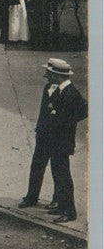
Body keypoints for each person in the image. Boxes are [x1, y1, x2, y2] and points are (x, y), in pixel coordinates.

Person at [19, 58, 88, 224]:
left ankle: (68, 210)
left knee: (62, 175)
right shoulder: (48, 88)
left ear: (57, 75)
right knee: (37, 166)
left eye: (48, 73)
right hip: (45, 137)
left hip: (60, 142)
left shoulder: (71, 93)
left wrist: (60, 117)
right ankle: (32, 198)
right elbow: (45, 112)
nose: (45, 75)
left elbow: (81, 112)